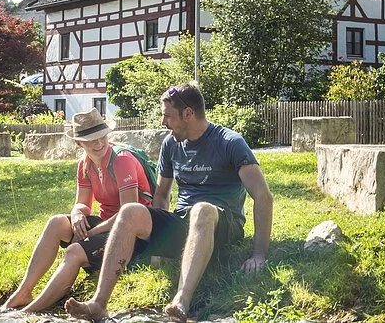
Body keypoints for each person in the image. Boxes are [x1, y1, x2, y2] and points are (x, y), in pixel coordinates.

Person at [64, 82, 273, 322]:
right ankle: (98, 304)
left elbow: (263, 197)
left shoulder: (229, 142)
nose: (163, 123)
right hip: (184, 222)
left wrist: (259, 254)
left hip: (223, 224)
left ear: (188, 114)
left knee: (201, 209)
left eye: (167, 116)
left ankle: (181, 300)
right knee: (131, 210)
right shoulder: (171, 144)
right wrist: (158, 246)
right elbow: (161, 196)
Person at [2, 108, 152, 312]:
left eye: (101, 137)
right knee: (57, 222)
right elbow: (82, 203)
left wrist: (90, 233)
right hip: (107, 226)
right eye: (91, 140)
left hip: (132, 235)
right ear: (79, 142)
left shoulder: (122, 160)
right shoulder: (85, 164)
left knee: (74, 250)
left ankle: (29, 312)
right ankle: (23, 292)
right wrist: (77, 214)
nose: (98, 143)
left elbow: (128, 212)